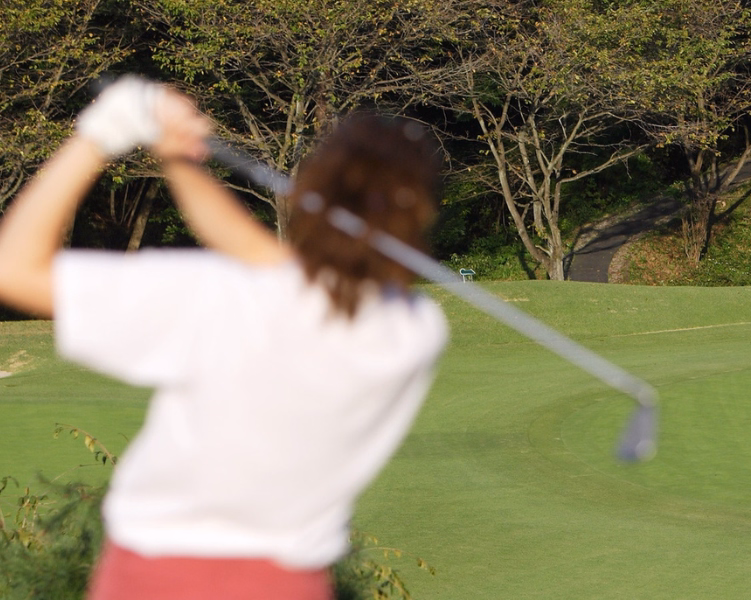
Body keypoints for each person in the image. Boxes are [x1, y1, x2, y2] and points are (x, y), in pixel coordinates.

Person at [0, 77, 447, 599]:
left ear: (308, 194)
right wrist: (178, 161)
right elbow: (264, 256)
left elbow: (14, 269)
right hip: (290, 584)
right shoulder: (416, 329)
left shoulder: (219, 296)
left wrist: (99, 135)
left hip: (152, 578)